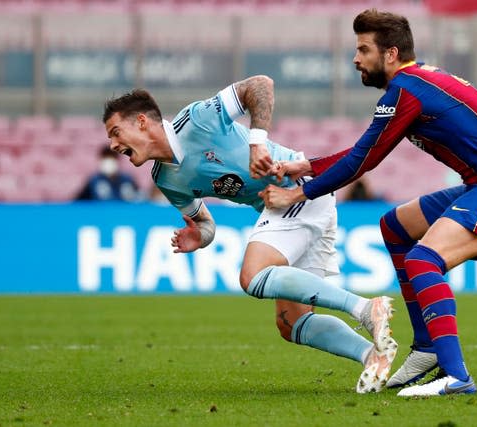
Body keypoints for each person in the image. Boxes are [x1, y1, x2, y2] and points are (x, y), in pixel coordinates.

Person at [258, 9, 477, 397]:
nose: (355, 58)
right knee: (396, 225)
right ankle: (426, 348)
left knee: (423, 260)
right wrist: (306, 165)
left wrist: (299, 192)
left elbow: (363, 160)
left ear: (390, 54)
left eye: (363, 49)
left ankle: (457, 376)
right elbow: (365, 150)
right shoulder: (416, 82)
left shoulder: (405, 90)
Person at [103, 75, 398, 393]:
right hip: (283, 207)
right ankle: (373, 356)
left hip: (297, 189)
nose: (113, 145)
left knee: (252, 276)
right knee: (292, 324)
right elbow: (204, 223)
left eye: (116, 132)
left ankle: (366, 308)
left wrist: (257, 142)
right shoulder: (165, 179)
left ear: (143, 122)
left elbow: (261, 85)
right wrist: (200, 236)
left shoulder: (197, 120)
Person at [76, 146, 140, 201]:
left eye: (112, 158)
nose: (109, 162)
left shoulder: (128, 180)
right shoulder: (93, 181)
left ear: (117, 160)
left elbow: (140, 198)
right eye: (106, 158)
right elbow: (79, 202)